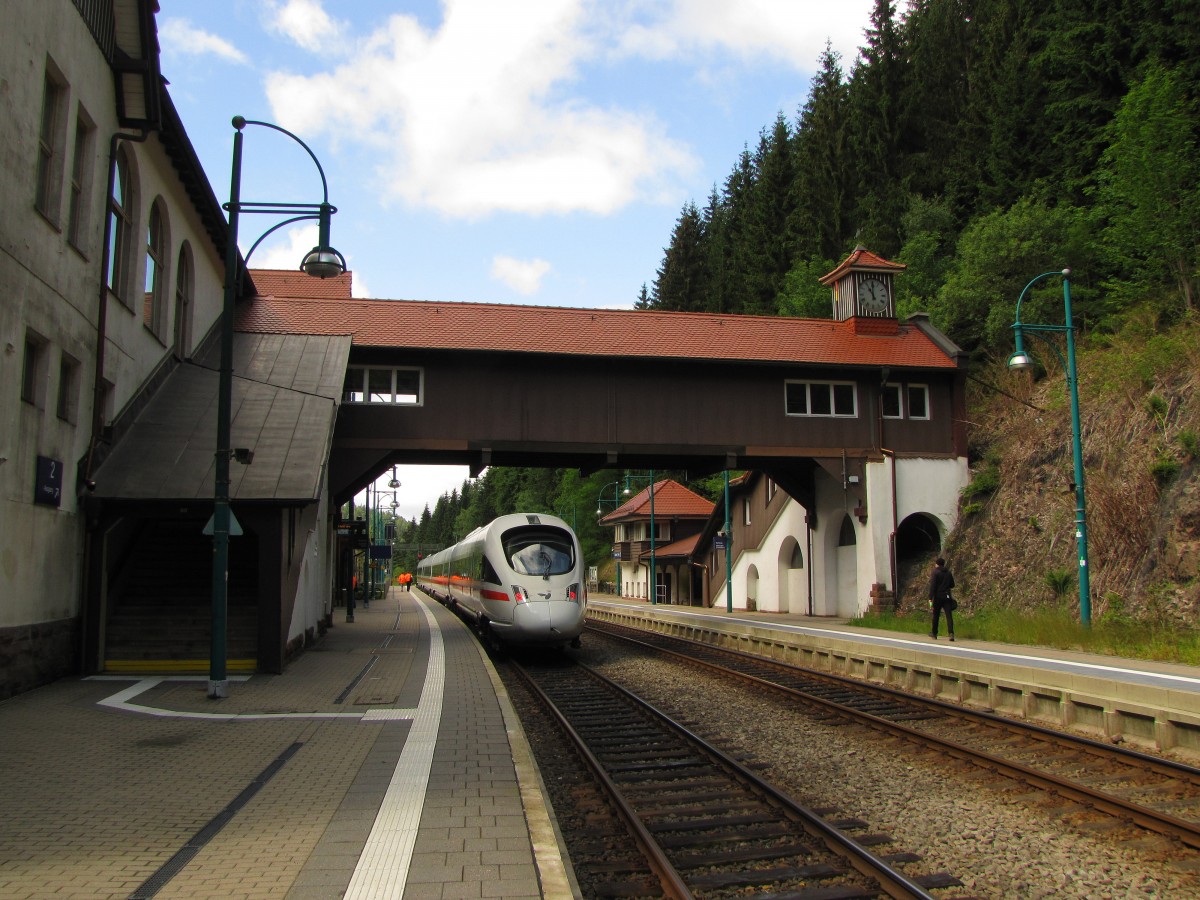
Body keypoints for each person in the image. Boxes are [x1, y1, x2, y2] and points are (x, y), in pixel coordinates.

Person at [928, 557, 956, 641]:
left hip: (938, 597)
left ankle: (934, 633)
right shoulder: (948, 572)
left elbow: (933, 586)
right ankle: (951, 634)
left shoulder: (935, 572)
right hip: (947, 596)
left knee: (936, 615)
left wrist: (930, 598)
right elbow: (952, 585)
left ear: (937, 564)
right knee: (949, 615)